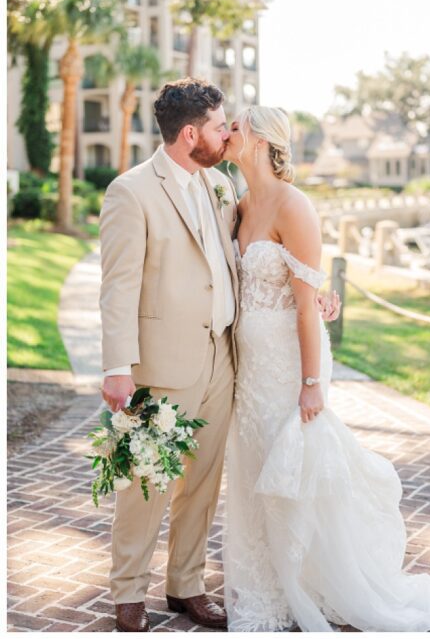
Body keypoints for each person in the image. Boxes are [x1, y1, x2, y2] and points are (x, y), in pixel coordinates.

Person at [220, 105, 430, 632]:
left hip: (289, 365)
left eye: (234, 126)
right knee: (256, 467)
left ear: (258, 140)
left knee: (294, 470)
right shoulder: (238, 203)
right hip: (249, 366)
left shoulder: (293, 206)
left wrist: (308, 384)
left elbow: (304, 305)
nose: (226, 133)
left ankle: (309, 579)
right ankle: (266, 581)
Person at [99, 78, 239, 632]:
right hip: (160, 362)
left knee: (202, 482)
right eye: (219, 126)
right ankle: (128, 593)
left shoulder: (218, 183)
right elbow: (118, 285)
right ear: (189, 134)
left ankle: (187, 586)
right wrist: (116, 367)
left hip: (220, 356)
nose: (226, 134)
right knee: (146, 483)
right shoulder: (131, 191)